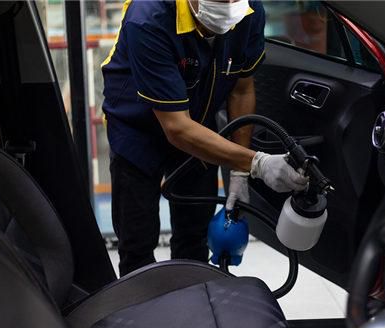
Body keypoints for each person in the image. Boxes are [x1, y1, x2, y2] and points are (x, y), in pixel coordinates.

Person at [102, 0, 308, 277]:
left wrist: (239, 173)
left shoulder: (249, 12)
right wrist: (256, 163)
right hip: (137, 131)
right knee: (137, 245)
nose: (229, 5)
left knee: (194, 239)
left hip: (199, 125)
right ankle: (142, 299)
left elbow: (241, 89)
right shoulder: (148, 18)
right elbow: (177, 128)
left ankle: (193, 295)